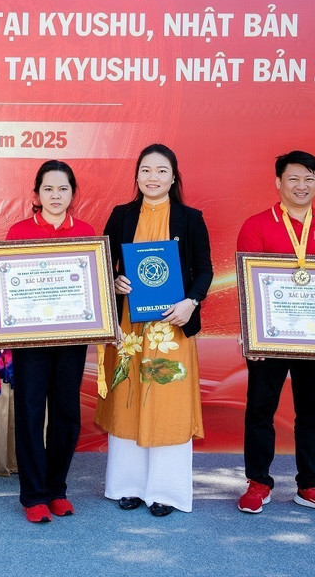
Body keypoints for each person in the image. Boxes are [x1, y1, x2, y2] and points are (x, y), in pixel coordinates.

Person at [95, 143, 212, 517]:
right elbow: (102, 262)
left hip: (172, 327)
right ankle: (127, 486)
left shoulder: (190, 218)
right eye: (146, 170)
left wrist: (191, 302)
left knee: (166, 402)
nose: (153, 177)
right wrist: (114, 281)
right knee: (129, 398)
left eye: (162, 170)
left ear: (174, 177)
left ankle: (166, 491)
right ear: (137, 176)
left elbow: (205, 270)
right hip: (129, 328)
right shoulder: (122, 215)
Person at [236, 150, 315, 517]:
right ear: (278, 182)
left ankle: (311, 484)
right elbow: (248, 285)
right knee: (260, 409)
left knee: (314, 411)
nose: (301, 186)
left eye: (309, 179)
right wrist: (251, 334)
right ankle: (258, 482)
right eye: (293, 179)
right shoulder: (257, 225)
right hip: (269, 337)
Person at [5, 160, 97, 524]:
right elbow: (6, 286)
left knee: (66, 415)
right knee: (30, 413)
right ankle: (33, 495)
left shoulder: (86, 232)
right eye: (48, 189)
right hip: (30, 342)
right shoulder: (19, 232)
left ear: (73, 194)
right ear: (36, 194)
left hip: (72, 340)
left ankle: (57, 489)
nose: (55, 196)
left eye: (63, 189)